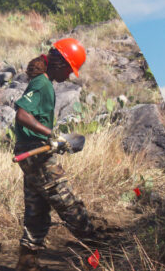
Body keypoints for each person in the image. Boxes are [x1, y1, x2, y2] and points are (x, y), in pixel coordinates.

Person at [12, 38, 109, 271]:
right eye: (70, 69)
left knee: (37, 209)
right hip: (36, 155)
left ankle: (27, 264)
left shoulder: (44, 81)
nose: (70, 75)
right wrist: (51, 135)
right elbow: (23, 115)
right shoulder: (42, 84)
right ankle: (98, 252)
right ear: (59, 62)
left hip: (30, 151)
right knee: (66, 201)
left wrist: (52, 140)